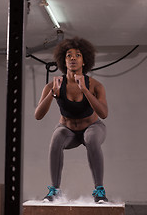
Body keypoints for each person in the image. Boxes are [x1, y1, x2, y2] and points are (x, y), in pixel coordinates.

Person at [35, 37, 108, 203]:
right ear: (64, 61)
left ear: (84, 61)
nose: (73, 58)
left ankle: (99, 190)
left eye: (78, 55)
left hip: (93, 127)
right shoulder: (54, 85)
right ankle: (54, 190)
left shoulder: (95, 85)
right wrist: (52, 94)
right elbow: (38, 115)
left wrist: (85, 90)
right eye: (69, 55)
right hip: (68, 131)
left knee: (91, 138)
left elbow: (103, 113)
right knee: (56, 138)